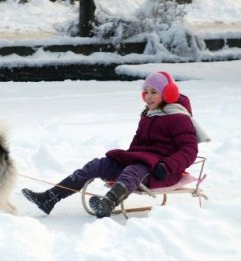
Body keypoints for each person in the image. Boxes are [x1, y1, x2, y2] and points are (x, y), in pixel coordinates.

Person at [22, 71, 200, 218]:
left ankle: (107, 204)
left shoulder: (178, 118)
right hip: (141, 163)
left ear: (168, 93)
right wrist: (124, 160)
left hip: (161, 171)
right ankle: (50, 198)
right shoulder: (148, 116)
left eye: (154, 92)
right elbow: (137, 145)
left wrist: (167, 166)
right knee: (98, 164)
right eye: (146, 92)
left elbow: (189, 150)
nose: (148, 96)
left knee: (133, 171)